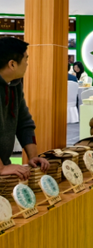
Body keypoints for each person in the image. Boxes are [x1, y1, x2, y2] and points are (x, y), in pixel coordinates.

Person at [0, 37, 50, 180]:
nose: (27, 64)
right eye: (26, 59)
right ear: (12, 64)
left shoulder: (15, 84)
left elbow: (24, 122)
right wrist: (1, 168)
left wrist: (33, 157)